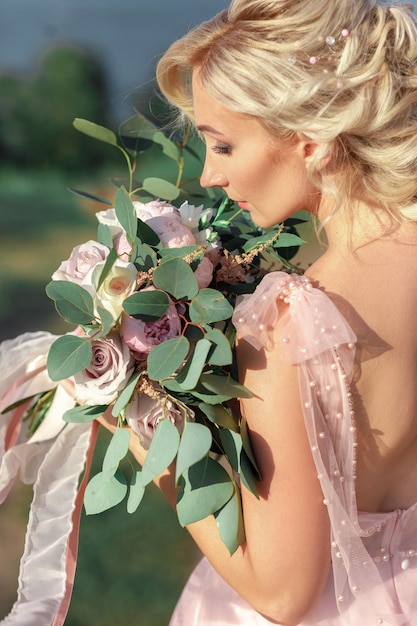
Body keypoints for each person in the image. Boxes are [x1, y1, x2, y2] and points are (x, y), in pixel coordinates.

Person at [99, 0, 417, 624]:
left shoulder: (293, 320)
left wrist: (139, 419)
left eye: (222, 144)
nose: (210, 175)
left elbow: (283, 593)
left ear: (310, 139)